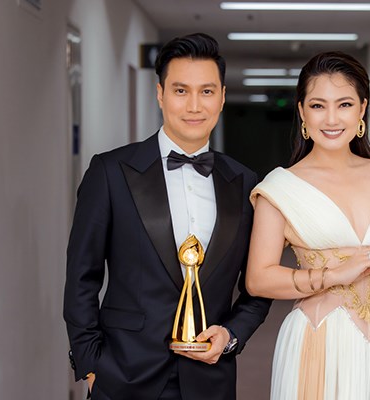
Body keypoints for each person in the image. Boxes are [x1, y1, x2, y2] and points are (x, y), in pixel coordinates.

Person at [63, 33, 271, 400]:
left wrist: (230, 335)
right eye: (180, 91)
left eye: (206, 92)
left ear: (222, 97)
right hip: (123, 376)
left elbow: (258, 285)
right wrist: (91, 365)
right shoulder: (110, 172)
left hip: (210, 380)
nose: (194, 105)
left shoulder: (244, 183)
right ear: (160, 94)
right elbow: (82, 277)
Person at [246, 51, 370, 399]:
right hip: (319, 336)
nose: (331, 118)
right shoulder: (280, 188)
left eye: (344, 104)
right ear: (301, 111)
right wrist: (333, 275)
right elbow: (258, 279)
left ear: (362, 109)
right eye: (318, 106)